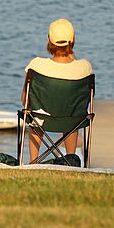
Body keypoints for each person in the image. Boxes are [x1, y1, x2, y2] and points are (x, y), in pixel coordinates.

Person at [21, 18, 93, 163]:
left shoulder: (36, 65)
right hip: (72, 120)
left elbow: (25, 100)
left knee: (36, 112)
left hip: (42, 119)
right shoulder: (84, 67)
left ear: (49, 40)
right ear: (73, 40)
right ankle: (70, 159)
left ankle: (33, 161)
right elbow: (84, 102)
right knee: (73, 112)